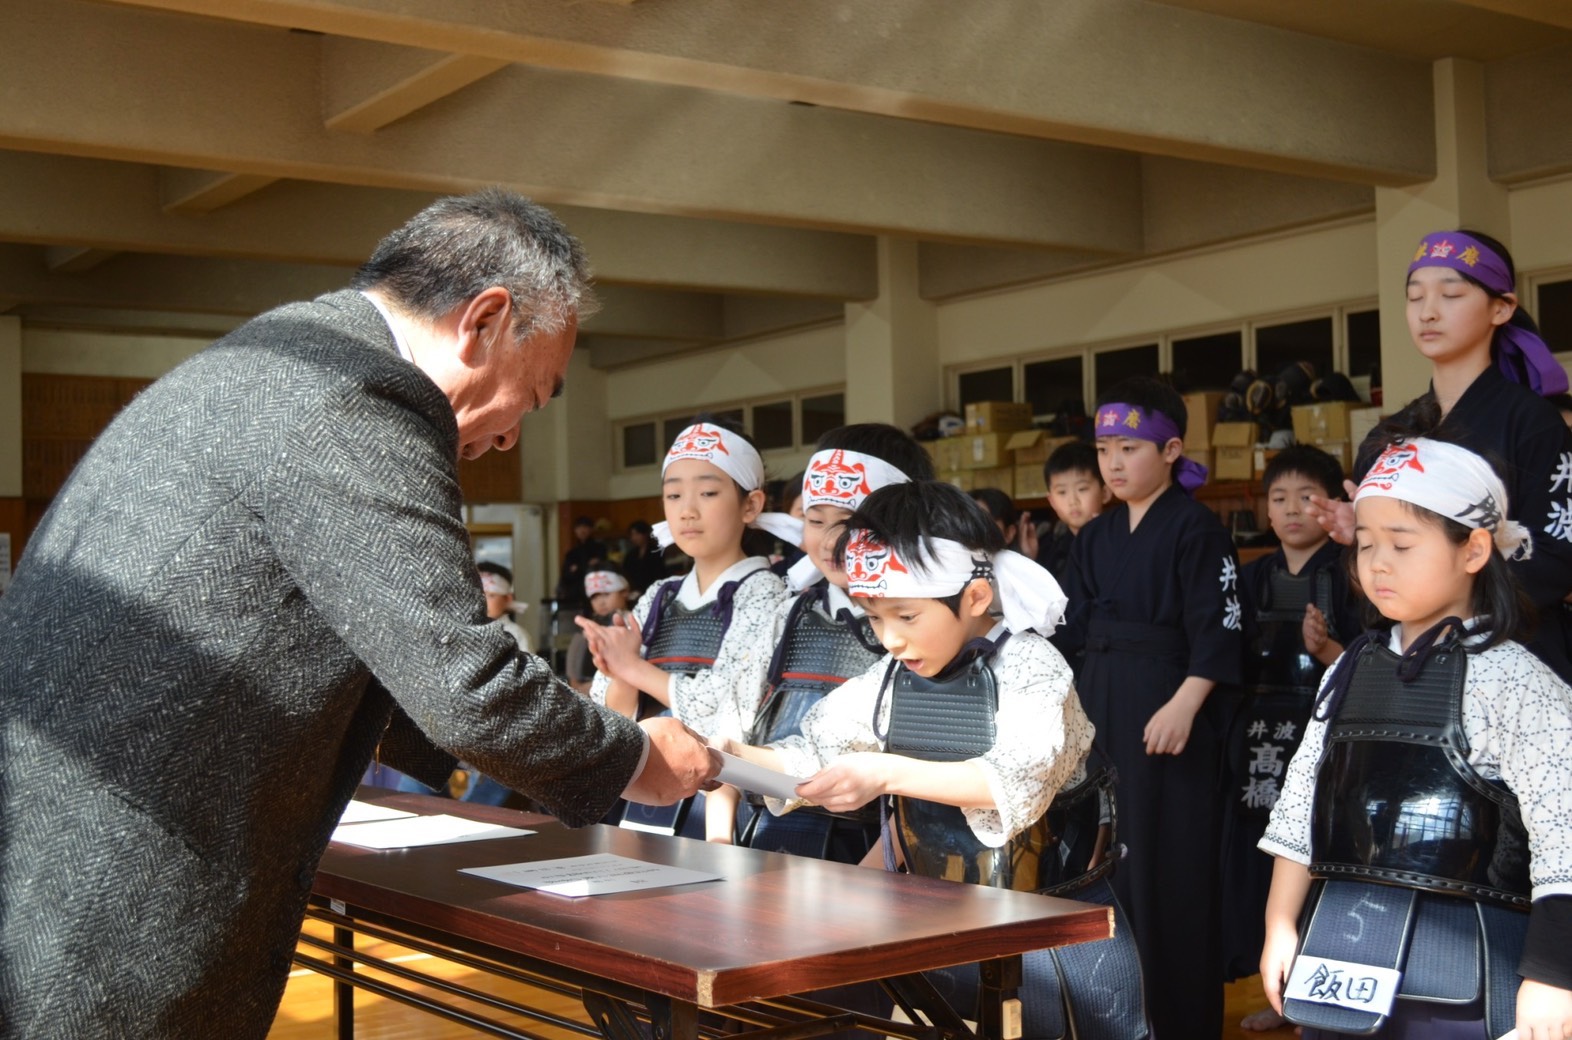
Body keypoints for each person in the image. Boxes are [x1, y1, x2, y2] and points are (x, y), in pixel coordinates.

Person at [0, 189, 717, 1039]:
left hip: (61, 854)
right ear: (484, 321)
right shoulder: (358, 401)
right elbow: (468, 685)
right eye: (534, 394)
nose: (510, 437)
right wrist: (637, 757)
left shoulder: (274, 359)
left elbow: (355, 639)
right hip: (115, 895)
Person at [727, 479, 1150, 1040]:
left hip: (1052, 924)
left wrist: (885, 772)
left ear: (974, 598)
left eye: (906, 617)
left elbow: (1015, 779)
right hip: (935, 918)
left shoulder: (1032, 665)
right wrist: (726, 757)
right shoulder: (890, 678)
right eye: (875, 619)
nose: (890, 640)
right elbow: (814, 752)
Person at [1260, 435, 1572, 1039]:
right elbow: (1301, 809)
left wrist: (1554, 975)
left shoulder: (1517, 680)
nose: (1377, 563)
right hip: (1340, 949)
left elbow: (1566, 834)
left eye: (1401, 544)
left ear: (1473, 549)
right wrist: (1280, 924)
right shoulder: (1349, 667)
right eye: (1366, 543)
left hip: (1465, 965)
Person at [1058, 376, 1242, 1039]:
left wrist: (1187, 703)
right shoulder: (1096, 536)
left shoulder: (1197, 529)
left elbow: (1219, 630)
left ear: (1170, 450)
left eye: (1129, 448)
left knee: (1170, 867)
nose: (1113, 462)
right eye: (1104, 448)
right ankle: (1111, 1017)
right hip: (1101, 700)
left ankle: (1178, 1022)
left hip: (1167, 709)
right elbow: (1071, 628)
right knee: (1106, 858)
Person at [1310, 230, 1572, 681]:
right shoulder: (1387, 439)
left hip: (1510, 663)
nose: (1427, 312)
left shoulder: (1533, 422)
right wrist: (1365, 538)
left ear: (1501, 308)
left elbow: (1556, 558)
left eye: (1450, 294)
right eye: (1415, 297)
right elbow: (1367, 591)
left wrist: (1443, 586)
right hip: (1411, 662)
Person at [583, 419, 790, 842]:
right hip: (643, 786)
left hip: (717, 803)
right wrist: (618, 672)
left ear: (751, 505)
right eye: (674, 495)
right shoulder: (659, 594)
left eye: (708, 493)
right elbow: (611, 712)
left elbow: (730, 709)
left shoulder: (767, 594)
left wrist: (633, 667)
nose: (686, 510)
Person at [741, 423, 932, 861]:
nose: (828, 541)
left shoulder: (926, 624)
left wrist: (875, 869)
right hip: (771, 831)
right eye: (815, 520)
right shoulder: (788, 612)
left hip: (876, 846)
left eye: (846, 522)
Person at [1222, 445, 1360, 1031]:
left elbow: (1369, 659)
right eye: (1278, 498)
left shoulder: (1352, 572)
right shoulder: (1250, 576)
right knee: (1262, 860)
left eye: (1307, 497)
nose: (1291, 509)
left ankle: (1317, 994)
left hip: (1320, 723)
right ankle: (1280, 991)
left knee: (1320, 853)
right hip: (1257, 729)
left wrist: (1327, 650)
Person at [1035, 439, 1109, 584]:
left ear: (1105, 492)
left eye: (1082, 489)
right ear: (1052, 501)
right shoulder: (1051, 551)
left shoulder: (1118, 540)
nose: (1072, 501)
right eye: (1062, 492)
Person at [564, 568, 633, 694]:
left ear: (624, 591)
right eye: (594, 597)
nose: (601, 602)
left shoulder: (636, 620)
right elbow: (574, 673)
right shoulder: (587, 629)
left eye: (606, 594)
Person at [478, 561, 533, 653]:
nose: (483, 601)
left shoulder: (515, 634)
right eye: (478, 595)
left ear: (508, 598)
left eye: (491, 595)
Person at [558, 515, 607, 610]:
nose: (582, 530)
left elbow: (598, 568)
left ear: (591, 529)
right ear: (575, 530)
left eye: (585, 527)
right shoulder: (571, 553)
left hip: (594, 589)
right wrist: (585, 566)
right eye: (579, 527)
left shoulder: (599, 548)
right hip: (575, 593)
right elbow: (567, 574)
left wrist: (578, 568)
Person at [622, 519, 668, 596]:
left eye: (637, 534)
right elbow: (627, 572)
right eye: (632, 535)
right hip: (636, 591)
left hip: (654, 589)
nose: (634, 538)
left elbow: (660, 572)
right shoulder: (631, 555)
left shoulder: (656, 551)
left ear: (645, 534)